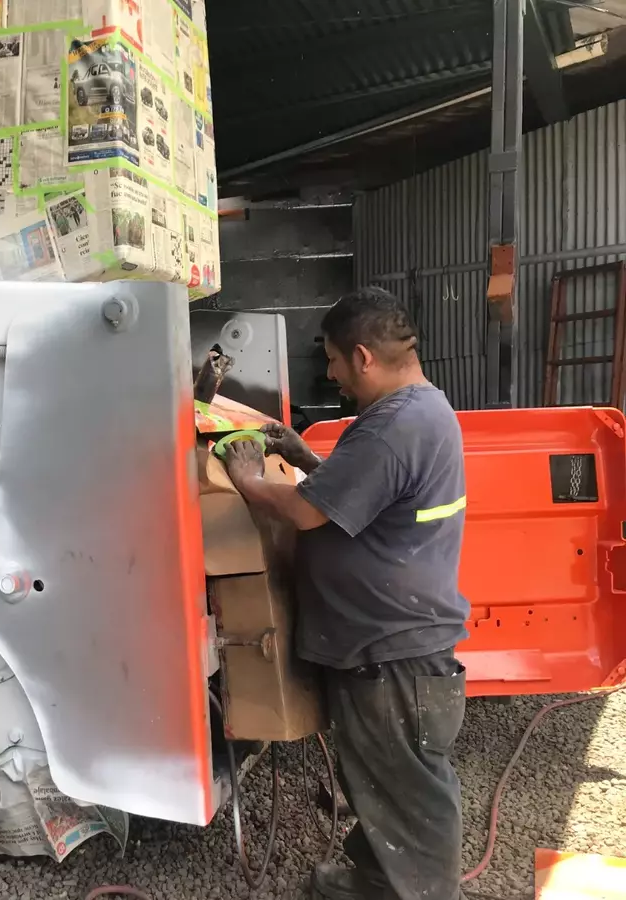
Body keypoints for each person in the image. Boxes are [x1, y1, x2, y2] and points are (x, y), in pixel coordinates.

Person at [221, 287, 469, 900]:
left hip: (392, 654)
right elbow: (368, 496)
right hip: (392, 644)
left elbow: (308, 513)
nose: (330, 373)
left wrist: (250, 481)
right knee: (383, 781)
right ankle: (375, 882)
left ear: (362, 356)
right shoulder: (419, 409)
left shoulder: (394, 426)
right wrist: (306, 456)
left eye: (332, 360)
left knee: (410, 795)